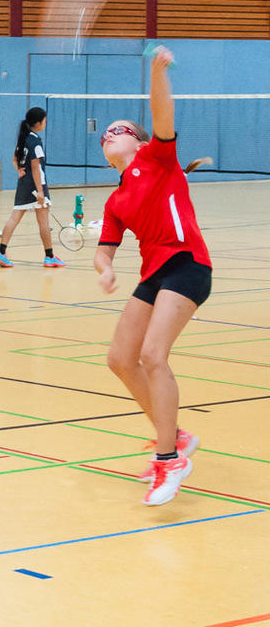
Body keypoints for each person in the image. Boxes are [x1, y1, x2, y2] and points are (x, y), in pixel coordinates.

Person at [96, 46, 209, 506]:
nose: (108, 133)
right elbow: (104, 250)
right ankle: (175, 434)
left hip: (187, 264)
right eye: (104, 134)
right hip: (154, 275)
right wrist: (105, 269)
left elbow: (162, 112)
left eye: (118, 129)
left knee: (152, 355)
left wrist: (157, 70)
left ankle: (169, 459)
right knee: (120, 358)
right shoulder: (115, 200)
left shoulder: (158, 159)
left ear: (139, 142)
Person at [0, 107, 64, 268]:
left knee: (14, 218)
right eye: (44, 120)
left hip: (24, 184)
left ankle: (1, 252)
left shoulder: (23, 139)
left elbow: (14, 159)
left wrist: (19, 170)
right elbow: (36, 168)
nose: (45, 123)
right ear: (37, 123)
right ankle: (49, 256)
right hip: (36, 185)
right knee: (43, 222)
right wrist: (41, 191)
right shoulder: (35, 142)